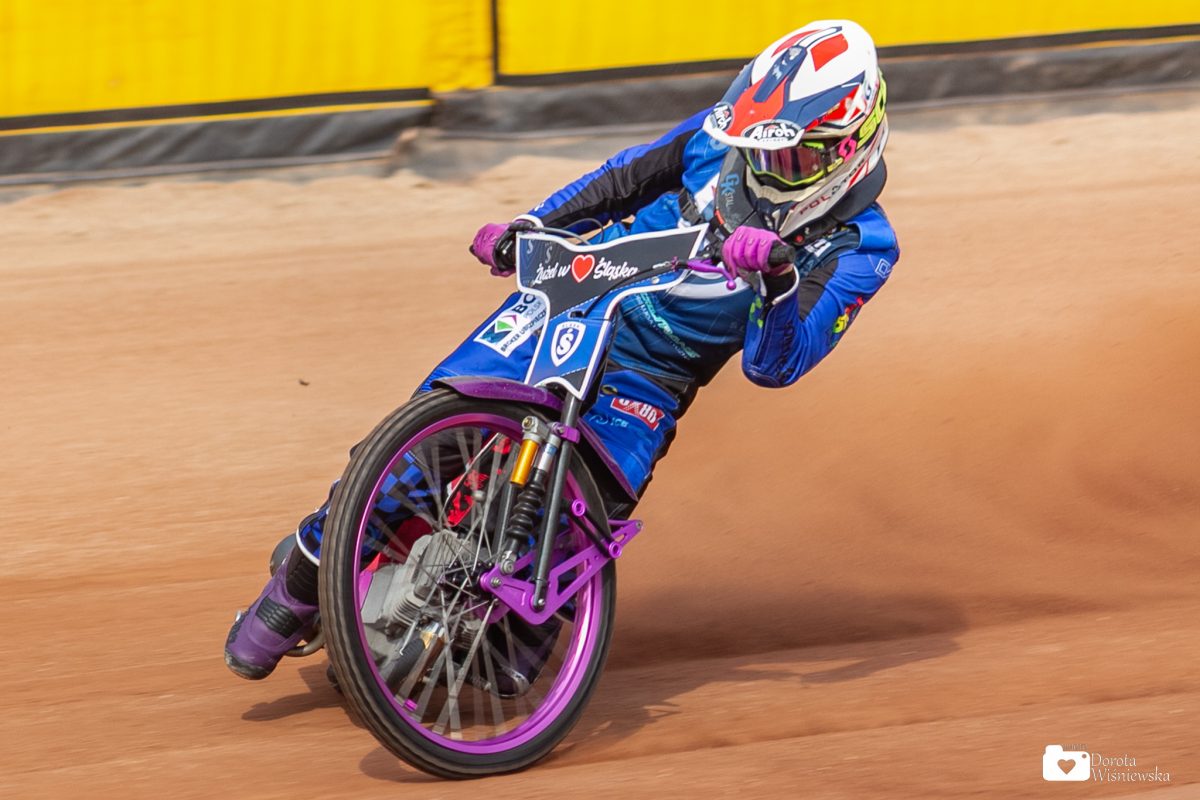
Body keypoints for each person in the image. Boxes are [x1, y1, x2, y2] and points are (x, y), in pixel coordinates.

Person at [225, 19, 900, 681]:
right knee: (405, 459)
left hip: (652, 375)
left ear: (850, 147)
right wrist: (531, 225)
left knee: (520, 644)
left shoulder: (864, 246)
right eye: (757, 149)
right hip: (571, 300)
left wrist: (779, 283)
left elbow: (775, 367)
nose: (765, 167)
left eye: (790, 157)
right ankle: (297, 588)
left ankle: (479, 643)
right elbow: (621, 180)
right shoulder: (716, 140)